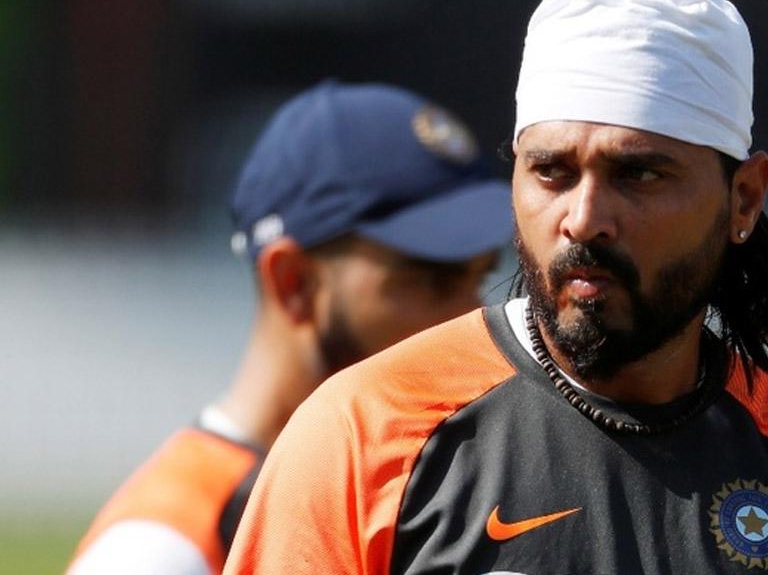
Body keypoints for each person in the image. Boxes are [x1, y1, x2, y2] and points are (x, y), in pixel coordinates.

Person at [224, 0, 768, 574]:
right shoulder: (361, 434)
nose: (584, 219)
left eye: (639, 174)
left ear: (743, 198)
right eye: (551, 171)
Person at [68, 80, 513, 575]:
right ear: (294, 282)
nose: (473, 316)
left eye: (481, 277)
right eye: (431, 281)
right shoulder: (164, 551)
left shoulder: (425, 491)